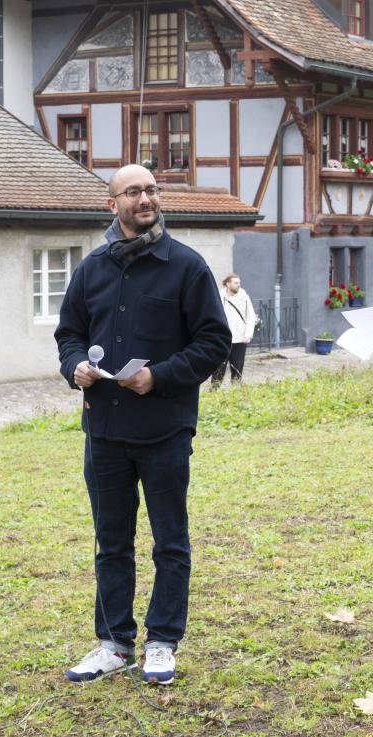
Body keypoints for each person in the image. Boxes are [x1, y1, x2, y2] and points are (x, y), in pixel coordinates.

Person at [55, 164, 231, 686]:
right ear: (113, 205)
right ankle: (114, 643)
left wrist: (159, 376)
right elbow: (69, 334)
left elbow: (213, 342)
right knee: (111, 542)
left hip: (164, 429)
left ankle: (162, 641)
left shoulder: (187, 266)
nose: (146, 198)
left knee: (169, 541)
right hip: (104, 431)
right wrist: (75, 367)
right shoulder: (91, 269)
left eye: (152, 189)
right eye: (133, 191)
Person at [211, 273, 256, 388]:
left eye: (239, 283)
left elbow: (251, 317)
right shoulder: (219, 297)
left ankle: (235, 393)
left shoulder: (244, 298)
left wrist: (248, 334)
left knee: (237, 371)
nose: (238, 285)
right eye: (236, 283)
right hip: (222, 340)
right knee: (218, 370)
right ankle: (214, 393)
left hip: (240, 340)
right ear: (227, 284)